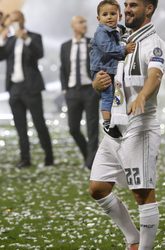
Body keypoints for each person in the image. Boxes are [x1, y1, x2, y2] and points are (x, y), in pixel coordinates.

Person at [89, 0, 165, 249]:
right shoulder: (121, 38)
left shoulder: (154, 43)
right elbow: (108, 74)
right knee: (98, 188)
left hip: (140, 126)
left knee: (142, 194)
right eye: (126, 4)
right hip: (115, 126)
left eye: (133, 5)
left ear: (149, 9)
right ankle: (132, 238)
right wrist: (96, 84)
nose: (127, 10)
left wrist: (143, 96)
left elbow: (155, 75)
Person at [0, 10, 54, 168]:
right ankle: (25, 159)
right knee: (20, 126)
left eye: (17, 19)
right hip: (14, 88)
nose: (14, 22)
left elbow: (39, 53)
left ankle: (49, 157)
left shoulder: (34, 37)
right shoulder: (9, 40)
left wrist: (26, 39)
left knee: (39, 123)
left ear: (23, 20)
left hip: (31, 88)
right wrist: (2, 39)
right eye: (12, 19)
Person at [90, 0, 135, 138]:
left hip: (109, 67)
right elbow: (108, 49)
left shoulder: (117, 29)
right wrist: (124, 49)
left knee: (115, 93)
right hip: (102, 69)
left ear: (119, 16)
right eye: (105, 14)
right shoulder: (101, 33)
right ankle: (107, 123)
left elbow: (121, 31)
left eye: (113, 13)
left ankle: (115, 119)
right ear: (99, 19)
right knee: (108, 95)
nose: (109, 17)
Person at [60, 16, 100, 170]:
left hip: (90, 90)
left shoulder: (93, 43)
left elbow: (99, 65)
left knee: (92, 129)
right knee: (73, 128)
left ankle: (91, 162)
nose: (84, 25)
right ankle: (88, 155)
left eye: (85, 22)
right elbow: (63, 69)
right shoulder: (65, 46)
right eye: (80, 22)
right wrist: (65, 90)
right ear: (73, 26)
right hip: (72, 92)